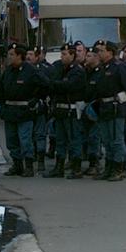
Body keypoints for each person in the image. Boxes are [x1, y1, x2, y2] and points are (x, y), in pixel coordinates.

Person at [92, 41, 126, 182]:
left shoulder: (119, 67)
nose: (99, 53)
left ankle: (120, 168)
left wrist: (125, 99)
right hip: (103, 108)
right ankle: (109, 168)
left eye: (101, 50)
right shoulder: (101, 69)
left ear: (110, 52)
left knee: (117, 140)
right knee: (106, 140)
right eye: (98, 51)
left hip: (116, 108)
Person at [0, 43, 47, 177]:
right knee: (11, 140)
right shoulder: (8, 71)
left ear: (20, 56)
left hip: (24, 111)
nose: (9, 57)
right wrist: (2, 106)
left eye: (11, 55)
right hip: (10, 111)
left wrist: (36, 99)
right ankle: (17, 164)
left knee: (25, 140)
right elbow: (0, 89)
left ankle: (28, 166)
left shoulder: (31, 70)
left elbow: (45, 84)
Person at [45, 42, 87, 179]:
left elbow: (68, 86)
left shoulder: (77, 71)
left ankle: (76, 168)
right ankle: (59, 167)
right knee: (60, 140)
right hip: (60, 110)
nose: (62, 57)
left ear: (72, 55)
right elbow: (53, 84)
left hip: (72, 110)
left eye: (64, 54)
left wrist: (56, 84)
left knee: (74, 140)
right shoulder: (59, 68)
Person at [26, 46, 50, 174]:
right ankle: (31, 157)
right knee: (28, 135)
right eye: (27, 54)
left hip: (39, 106)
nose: (28, 57)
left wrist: (39, 98)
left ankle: (41, 160)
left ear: (37, 57)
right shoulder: (23, 70)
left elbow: (48, 85)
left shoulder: (44, 70)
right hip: (26, 108)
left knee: (40, 134)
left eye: (31, 54)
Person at [82, 45, 103, 176]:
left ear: (96, 57)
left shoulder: (101, 72)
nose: (86, 58)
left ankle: (95, 164)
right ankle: (90, 161)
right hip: (85, 108)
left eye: (89, 56)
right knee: (86, 137)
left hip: (96, 109)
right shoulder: (85, 71)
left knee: (94, 137)